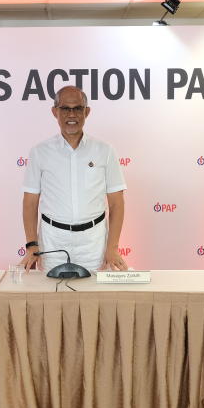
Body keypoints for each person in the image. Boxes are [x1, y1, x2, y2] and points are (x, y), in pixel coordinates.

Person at [20, 85, 128, 273]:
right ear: (55, 112)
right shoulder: (39, 152)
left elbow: (117, 204)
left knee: (93, 300)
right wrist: (31, 246)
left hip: (93, 243)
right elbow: (30, 202)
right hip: (53, 242)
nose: (72, 115)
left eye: (78, 108)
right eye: (65, 109)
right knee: (51, 299)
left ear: (87, 112)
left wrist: (112, 248)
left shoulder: (105, 151)